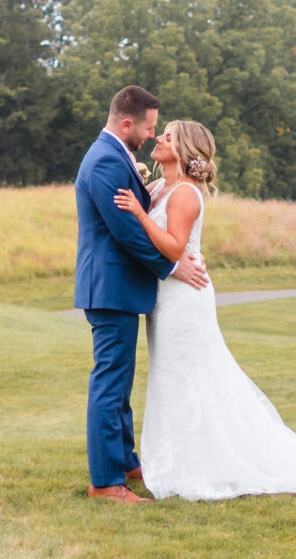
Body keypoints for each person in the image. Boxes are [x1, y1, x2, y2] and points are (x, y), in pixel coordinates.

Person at [112, 119, 296, 500]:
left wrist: (137, 212)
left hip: (184, 299)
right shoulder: (159, 186)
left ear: (182, 149)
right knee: (172, 374)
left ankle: (202, 463)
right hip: (165, 299)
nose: (159, 139)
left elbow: (172, 248)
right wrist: (137, 185)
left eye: (168, 136)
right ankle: (178, 456)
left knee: (188, 375)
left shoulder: (185, 193)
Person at [75, 85, 208, 503]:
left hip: (119, 288)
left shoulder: (116, 157)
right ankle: (106, 482)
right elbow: (127, 231)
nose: (152, 135)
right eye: (150, 128)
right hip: (110, 288)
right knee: (109, 385)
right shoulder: (104, 162)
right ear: (127, 123)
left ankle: (127, 463)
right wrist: (171, 265)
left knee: (120, 383)